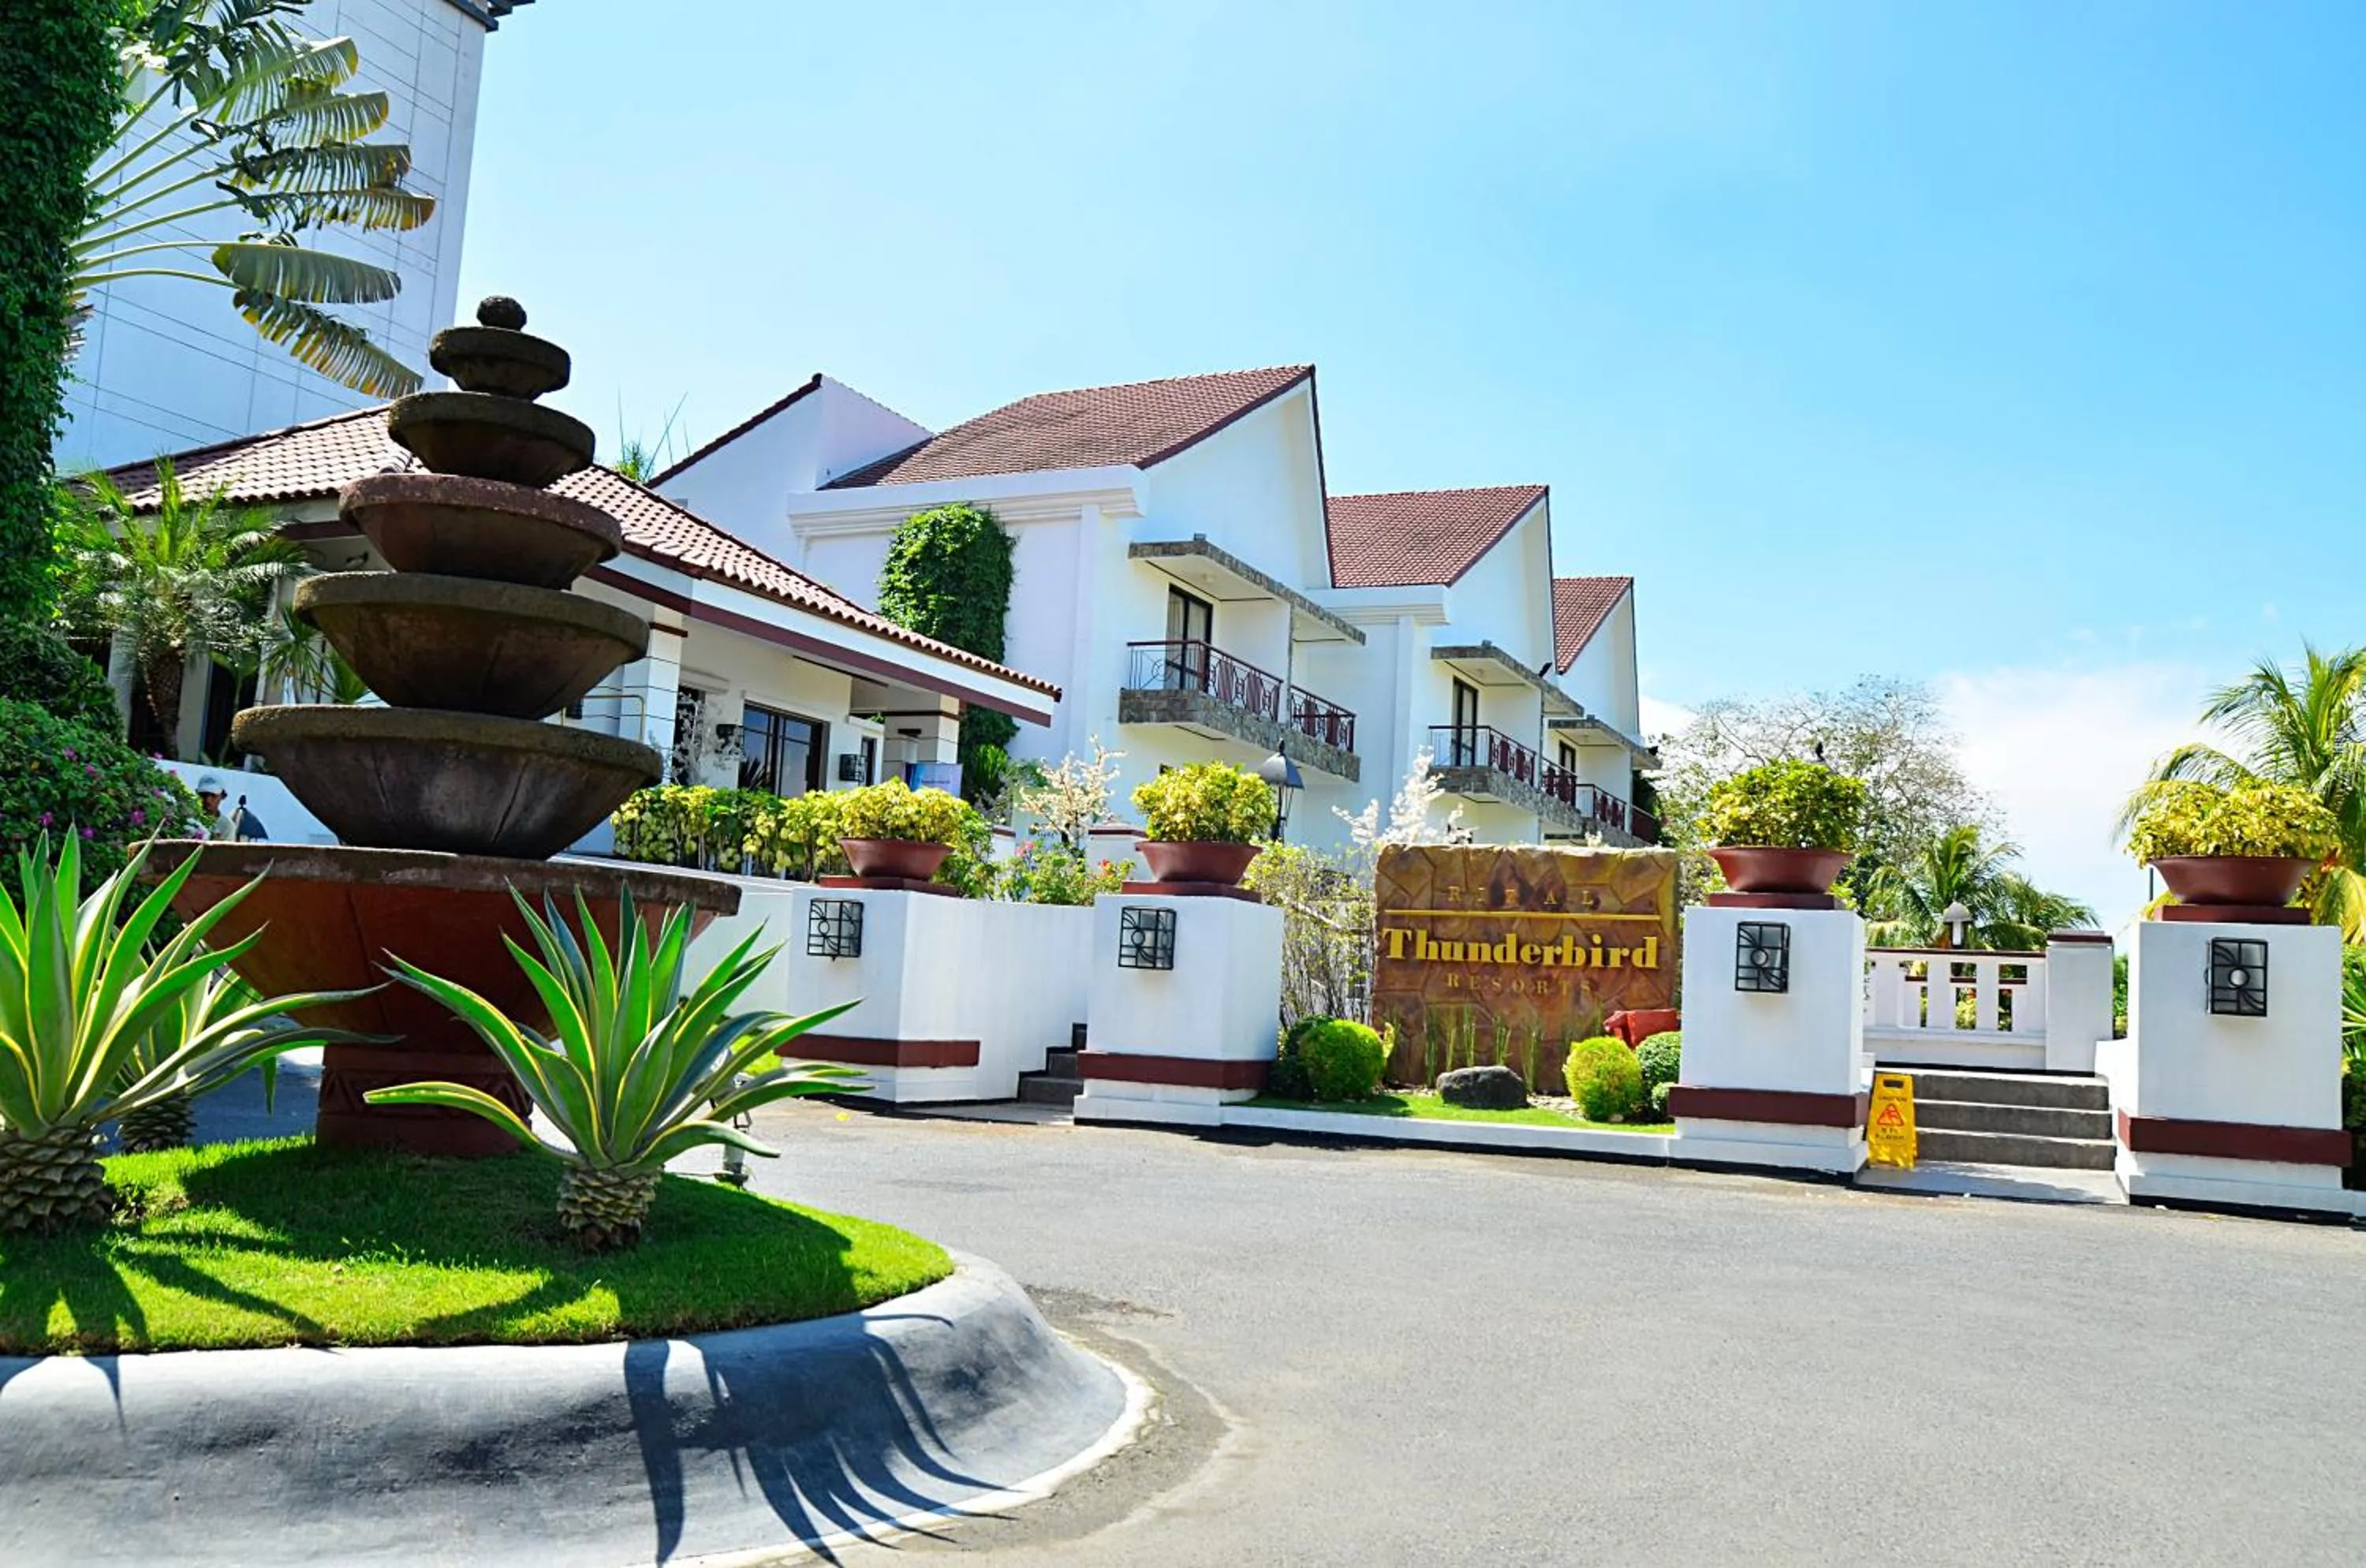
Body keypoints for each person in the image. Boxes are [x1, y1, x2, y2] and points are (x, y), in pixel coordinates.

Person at [194, 775, 269, 842]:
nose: (208, 800)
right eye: (203, 795)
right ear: (196, 793)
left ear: (223, 796)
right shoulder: (186, 817)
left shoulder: (227, 826)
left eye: (213, 795)